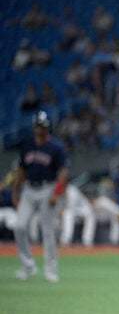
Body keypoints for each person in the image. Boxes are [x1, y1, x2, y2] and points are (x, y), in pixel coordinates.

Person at [12, 110, 67, 282]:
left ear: (47, 127)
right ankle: (28, 266)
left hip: (47, 188)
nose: (39, 128)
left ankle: (51, 270)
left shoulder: (55, 147)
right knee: (19, 226)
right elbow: (21, 170)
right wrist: (15, 191)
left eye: (42, 125)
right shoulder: (27, 146)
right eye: (37, 125)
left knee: (47, 230)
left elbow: (63, 172)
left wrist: (56, 193)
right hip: (29, 189)